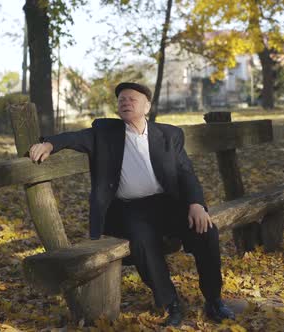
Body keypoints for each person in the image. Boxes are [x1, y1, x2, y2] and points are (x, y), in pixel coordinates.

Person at [28, 82, 235, 327]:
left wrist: (196, 204)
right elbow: (74, 137)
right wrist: (49, 143)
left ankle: (214, 300)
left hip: (168, 204)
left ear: (147, 106)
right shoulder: (104, 132)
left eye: (132, 99)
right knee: (143, 241)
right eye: (121, 99)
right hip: (130, 208)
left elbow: (185, 173)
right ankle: (171, 304)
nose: (125, 102)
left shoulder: (169, 135)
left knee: (206, 231)